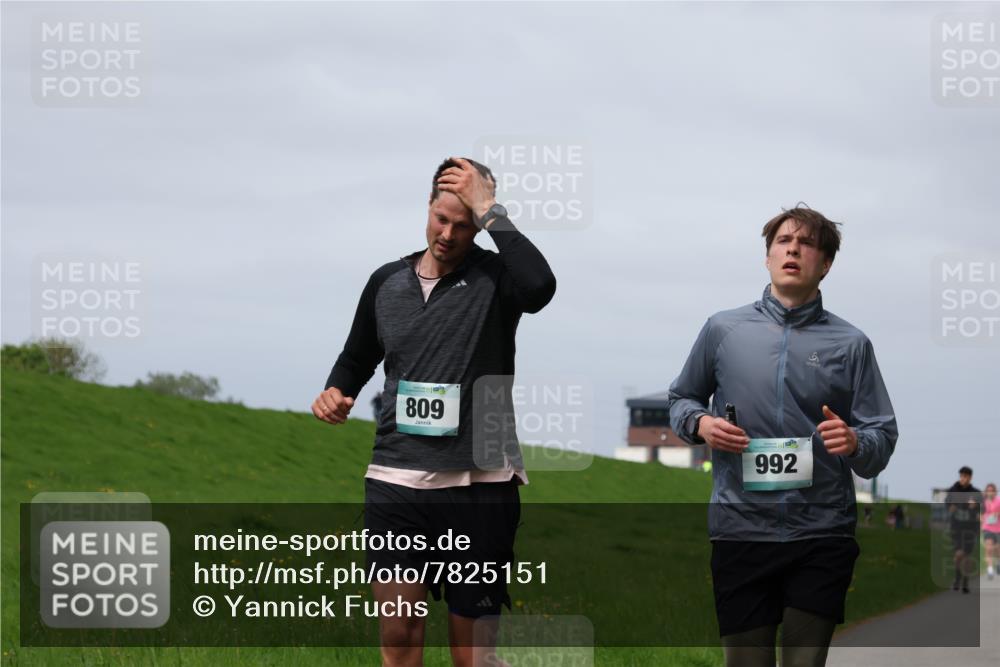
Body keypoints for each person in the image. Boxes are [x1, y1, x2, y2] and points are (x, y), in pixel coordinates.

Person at [311, 157, 556, 667]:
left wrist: (490, 209)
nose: (448, 234)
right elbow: (357, 356)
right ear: (427, 206)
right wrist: (335, 390)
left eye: (464, 225)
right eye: (441, 219)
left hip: (480, 482)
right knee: (399, 634)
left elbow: (540, 287)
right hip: (397, 477)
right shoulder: (386, 282)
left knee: (474, 655)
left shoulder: (497, 279)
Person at [667, 205, 897, 667]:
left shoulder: (851, 344)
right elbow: (681, 400)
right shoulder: (722, 329)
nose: (793, 249)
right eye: (782, 241)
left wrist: (855, 443)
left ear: (826, 264)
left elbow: (882, 435)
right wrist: (702, 425)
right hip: (740, 531)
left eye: (807, 243)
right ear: (768, 256)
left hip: (822, 534)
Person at [945, 466, 982, 593]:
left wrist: (976, 508)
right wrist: (950, 508)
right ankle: (957, 579)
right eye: (961, 476)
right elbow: (947, 504)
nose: (963, 479)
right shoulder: (953, 490)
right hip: (956, 528)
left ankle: (965, 581)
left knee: (966, 556)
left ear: (970, 478)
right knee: (958, 556)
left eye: (966, 476)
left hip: (971, 529)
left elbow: (983, 510)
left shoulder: (976, 493)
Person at [983, 482, 999, 580]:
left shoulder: (999, 501)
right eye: (988, 491)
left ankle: (998, 563)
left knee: (997, 550)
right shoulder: (983, 502)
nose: (990, 493)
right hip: (987, 528)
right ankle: (990, 569)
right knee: (989, 549)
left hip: (998, 529)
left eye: (992, 491)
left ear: (995, 492)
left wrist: (998, 514)